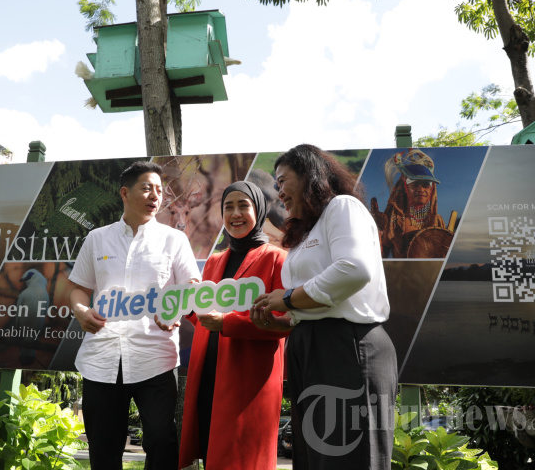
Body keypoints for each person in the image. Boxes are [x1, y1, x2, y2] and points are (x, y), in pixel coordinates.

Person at [251, 144, 398, 469]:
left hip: (348, 347)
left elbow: (354, 270)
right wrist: (283, 321)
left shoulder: (342, 207)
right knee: (316, 458)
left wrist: (287, 298)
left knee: (352, 455)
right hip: (310, 349)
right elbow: (314, 301)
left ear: (309, 174)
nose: (279, 192)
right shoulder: (304, 232)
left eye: (283, 181)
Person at [69, 161, 201, 470]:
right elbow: (78, 289)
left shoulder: (174, 240)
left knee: (161, 440)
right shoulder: (97, 239)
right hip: (101, 359)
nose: (155, 196)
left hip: (155, 357)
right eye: (146, 188)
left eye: (159, 190)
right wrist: (81, 310)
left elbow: (192, 285)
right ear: (125, 193)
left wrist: (176, 309)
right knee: (103, 447)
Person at [179, 181, 288, 470]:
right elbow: (207, 316)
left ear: (259, 211)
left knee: (244, 458)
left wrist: (228, 323)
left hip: (249, 381)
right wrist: (189, 308)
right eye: (228, 207)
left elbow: (285, 320)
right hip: (209, 377)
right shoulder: (214, 262)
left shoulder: (277, 258)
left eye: (243, 206)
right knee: (212, 454)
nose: (235, 214)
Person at [372, 149, 445, 258]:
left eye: (426, 185)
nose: (421, 190)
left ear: (432, 190)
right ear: (405, 188)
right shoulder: (393, 220)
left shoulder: (437, 221)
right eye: (415, 185)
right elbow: (381, 257)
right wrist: (377, 233)